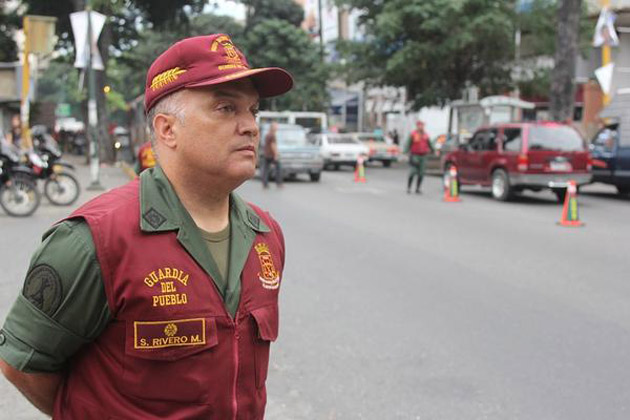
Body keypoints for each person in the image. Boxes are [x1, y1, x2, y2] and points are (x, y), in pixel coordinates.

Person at [0, 33, 293, 419]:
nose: (250, 127)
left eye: (252, 111)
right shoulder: (96, 240)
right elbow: (24, 363)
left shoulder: (265, 235)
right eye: (225, 108)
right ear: (168, 129)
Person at [405, 120, 433, 194]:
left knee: (421, 173)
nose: (421, 127)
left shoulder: (426, 135)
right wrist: (406, 151)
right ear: (417, 126)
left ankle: (418, 188)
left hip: (423, 156)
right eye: (420, 125)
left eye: (422, 125)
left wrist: (434, 150)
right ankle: (409, 187)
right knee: (412, 172)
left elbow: (430, 143)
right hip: (415, 155)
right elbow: (408, 143)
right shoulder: (413, 134)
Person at [262, 121, 282, 188]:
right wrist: (276, 154)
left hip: (266, 154)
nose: (277, 128)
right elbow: (272, 145)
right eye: (276, 126)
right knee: (278, 168)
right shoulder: (272, 135)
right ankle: (278, 183)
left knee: (266, 169)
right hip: (271, 155)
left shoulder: (267, 134)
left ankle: (265, 183)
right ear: (273, 127)